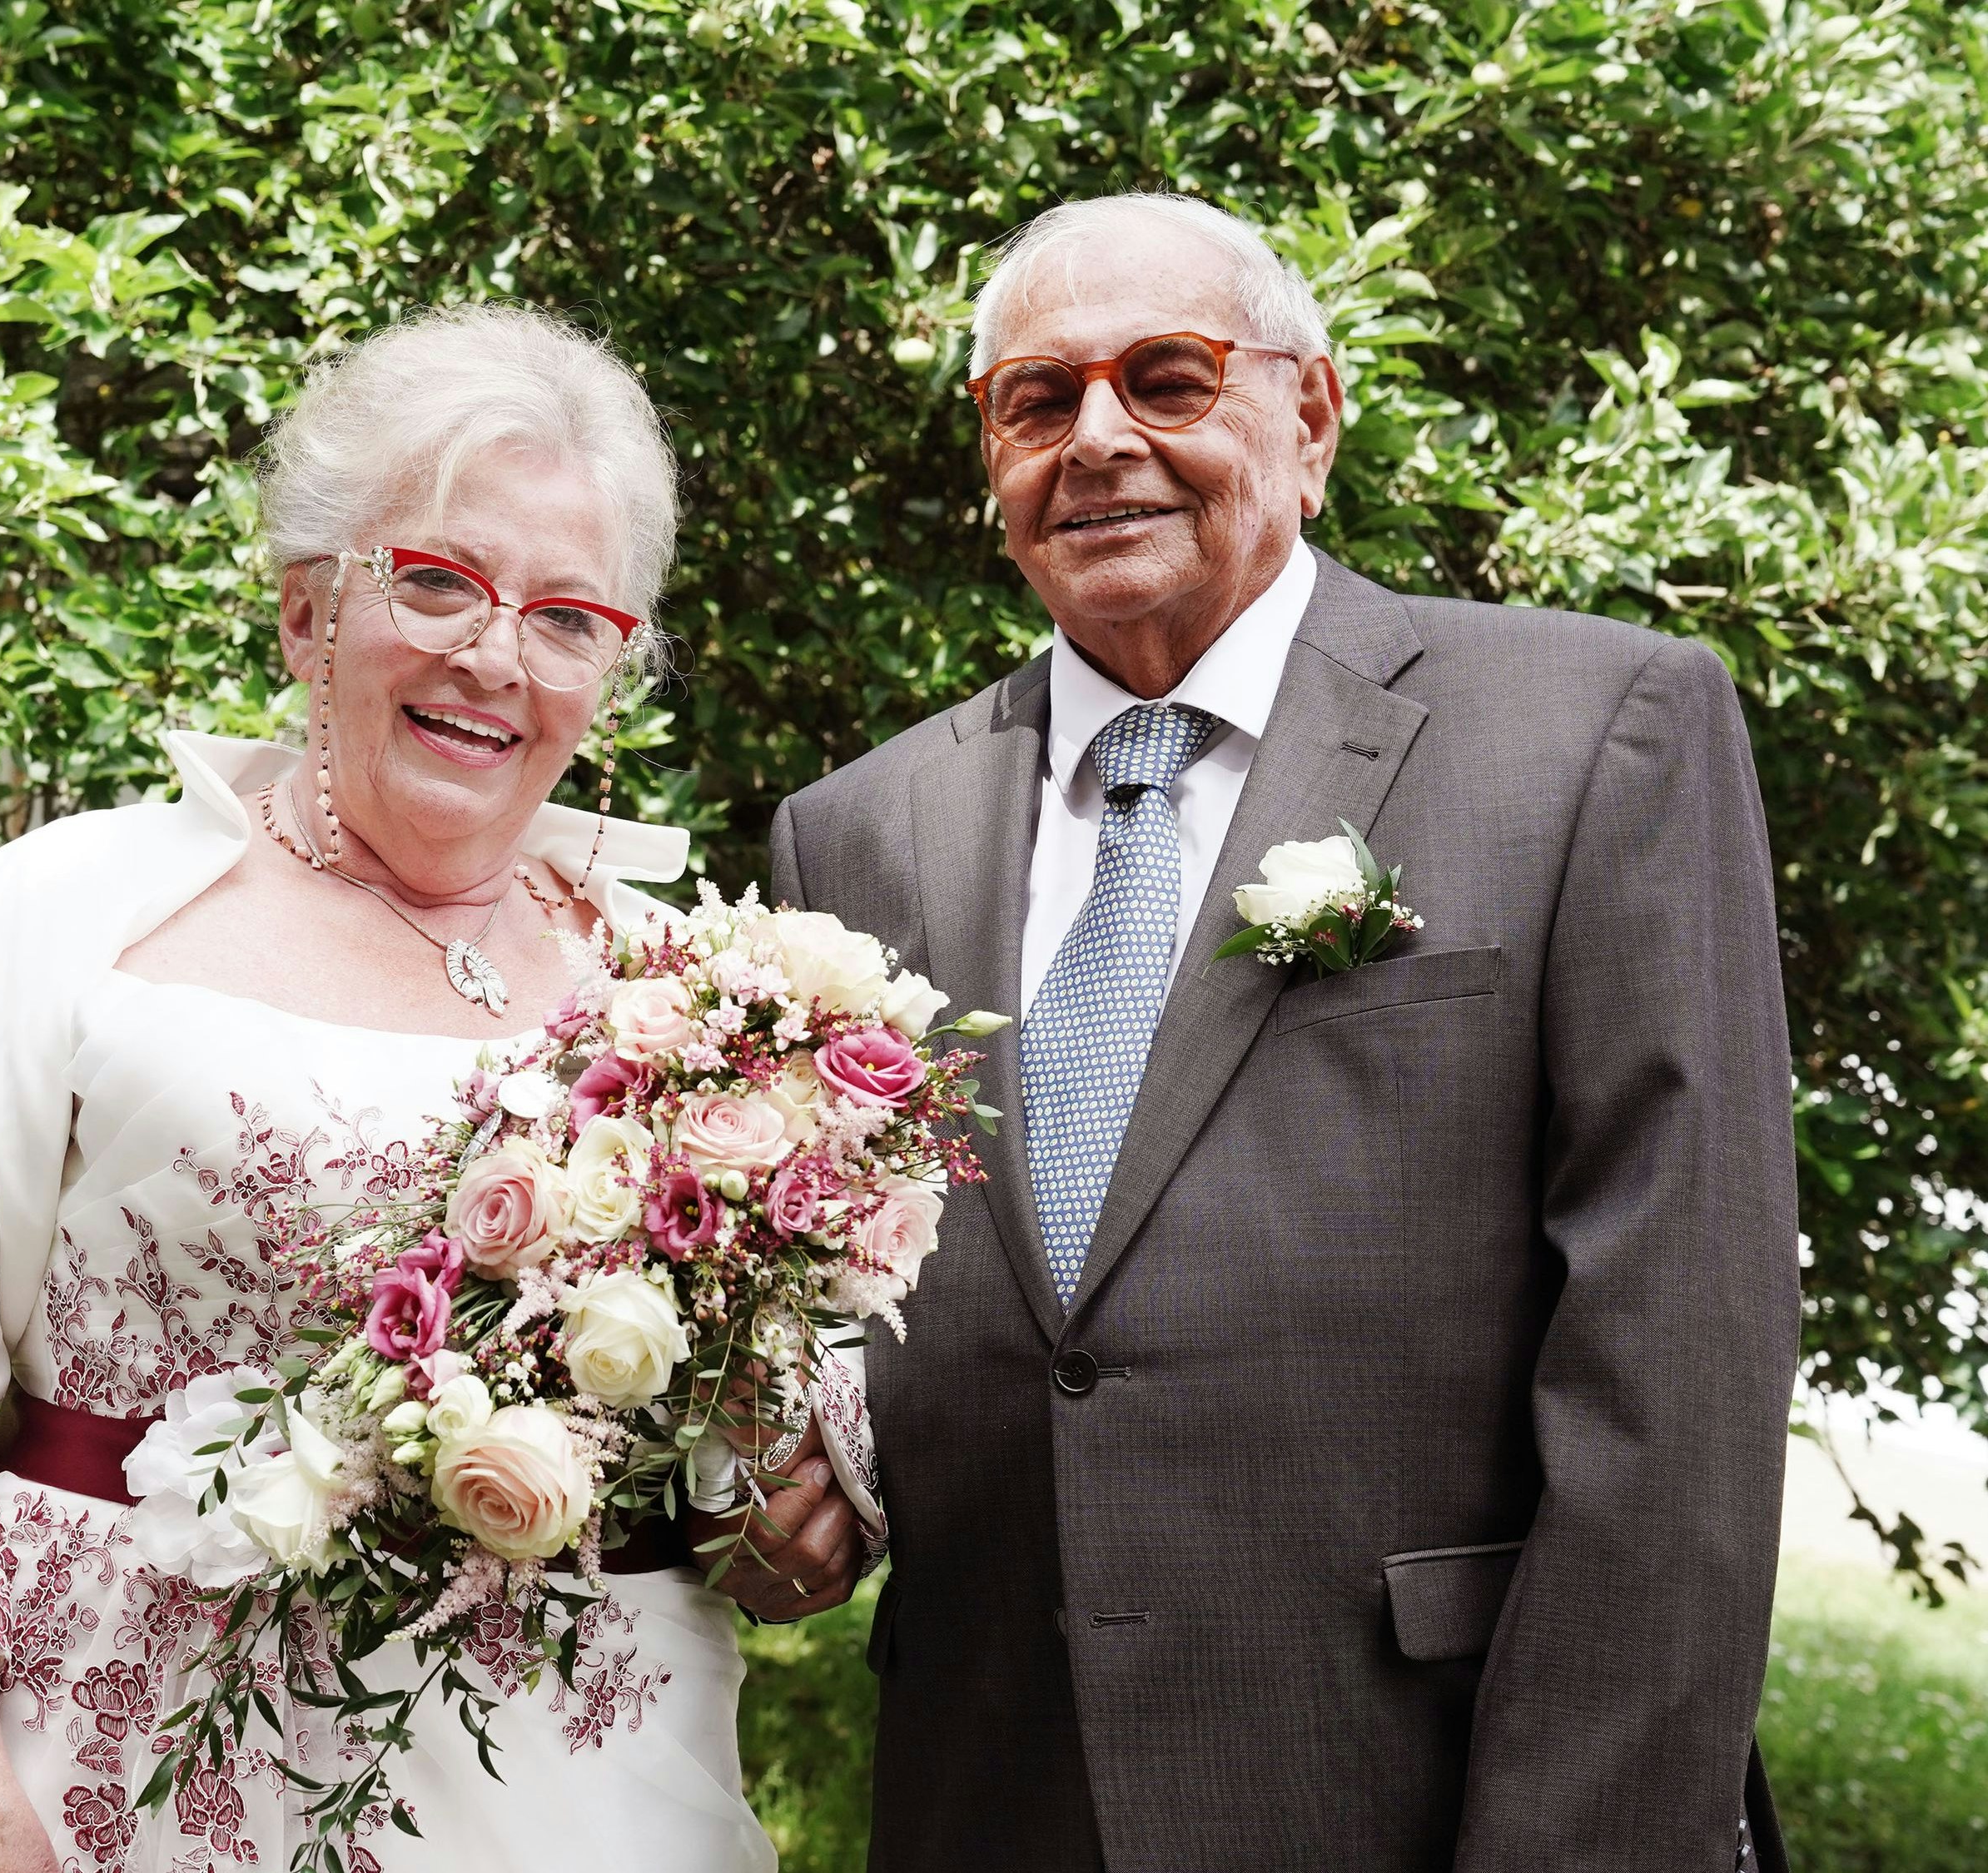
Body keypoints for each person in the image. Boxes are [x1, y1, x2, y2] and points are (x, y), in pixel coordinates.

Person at [741, 191, 1799, 1872]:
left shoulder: (1593, 733)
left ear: (1304, 416)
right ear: (988, 455)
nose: (1095, 438)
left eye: (1165, 378)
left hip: (1414, 1789)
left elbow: (1675, 1386)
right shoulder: (854, 835)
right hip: (991, 1792)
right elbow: (884, 1302)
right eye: (1037, 398)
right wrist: (775, 1466)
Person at [0, 305, 843, 1872]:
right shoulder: (63, 912)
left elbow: (757, 1452)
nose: (494, 654)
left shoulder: (688, 993)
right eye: (436, 581)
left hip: (581, 1793)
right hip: (114, 1773)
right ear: (305, 615)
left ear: (611, 673)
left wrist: (796, 1494)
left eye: (567, 616)